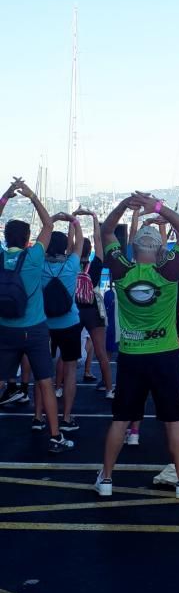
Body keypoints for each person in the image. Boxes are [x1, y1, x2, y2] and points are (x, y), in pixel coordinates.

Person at [93, 192, 179, 498]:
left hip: (132, 357)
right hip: (164, 355)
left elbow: (106, 230)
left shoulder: (121, 272)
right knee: (174, 421)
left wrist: (125, 205)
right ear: (161, 250)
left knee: (121, 419)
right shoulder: (169, 273)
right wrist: (159, 208)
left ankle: (107, 479)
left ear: (133, 249)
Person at [0, 177, 70, 452]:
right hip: (34, 328)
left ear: (5, 237)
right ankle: (55, 436)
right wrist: (32, 196)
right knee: (45, 382)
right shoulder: (33, 257)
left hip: (5, 326)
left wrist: (6, 195)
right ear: (27, 239)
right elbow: (49, 225)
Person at [35, 214, 83, 433]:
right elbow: (80, 243)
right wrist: (75, 222)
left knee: (42, 372)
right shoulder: (72, 264)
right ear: (65, 247)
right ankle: (66, 417)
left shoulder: (38, 264)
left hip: (44, 322)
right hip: (69, 322)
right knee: (71, 370)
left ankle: (38, 417)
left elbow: (38, 242)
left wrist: (51, 220)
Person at [74, 209, 114, 398]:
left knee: (67, 353)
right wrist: (94, 218)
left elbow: (70, 245)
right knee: (101, 352)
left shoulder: (70, 263)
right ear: (90, 251)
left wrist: (74, 221)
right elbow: (99, 241)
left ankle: (58, 386)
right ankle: (109, 389)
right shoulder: (96, 264)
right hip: (92, 309)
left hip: (74, 310)